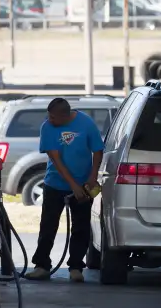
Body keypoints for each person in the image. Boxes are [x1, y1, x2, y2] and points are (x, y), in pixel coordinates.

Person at [25, 98, 104, 282]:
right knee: (48, 225)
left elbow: (97, 151)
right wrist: (73, 185)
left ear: (65, 115)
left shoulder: (86, 124)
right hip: (55, 183)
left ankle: (76, 267)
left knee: (81, 227)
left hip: (84, 183)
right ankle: (42, 266)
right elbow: (55, 158)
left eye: (53, 117)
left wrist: (92, 178)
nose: (49, 119)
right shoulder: (47, 127)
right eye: (48, 116)